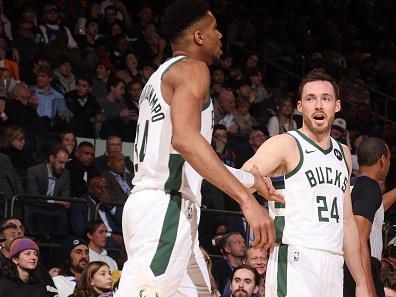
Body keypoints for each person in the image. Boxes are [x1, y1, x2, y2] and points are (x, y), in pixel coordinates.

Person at [116, 1, 279, 296]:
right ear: (199, 36)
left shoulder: (158, 78)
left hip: (162, 208)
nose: (220, 35)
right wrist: (245, 199)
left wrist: (251, 181)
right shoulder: (193, 68)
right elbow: (186, 141)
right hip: (166, 208)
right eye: (214, 28)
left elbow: (189, 158)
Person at [242, 68, 370, 296]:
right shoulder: (285, 143)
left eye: (326, 99)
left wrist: (360, 281)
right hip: (294, 260)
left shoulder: (343, 153)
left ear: (337, 106)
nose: (318, 105)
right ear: (300, 107)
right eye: (311, 99)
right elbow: (241, 178)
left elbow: (348, 222)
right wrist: (255, 183)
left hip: (333, 263)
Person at [344, 137, 391, 297]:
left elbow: (376, 209)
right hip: (364, 266)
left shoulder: (352, 186)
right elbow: (359, 239)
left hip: (345, 266)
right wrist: (367, 288)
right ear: (383, 160)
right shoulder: (370, 187)